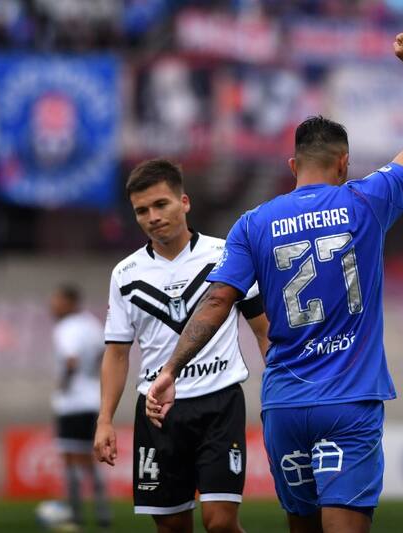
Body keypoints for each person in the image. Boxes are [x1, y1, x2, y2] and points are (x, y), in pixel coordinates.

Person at [147, 30, 403, 533]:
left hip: (285, 403)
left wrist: (171, 369)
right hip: (348, 400)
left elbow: (217, 302)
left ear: (293, 166)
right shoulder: (365, 201)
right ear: (344, 163)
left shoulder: (253, 223)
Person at [94, 159, 270, 533]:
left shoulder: (226, 255)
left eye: (161, 204)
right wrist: (105, 419)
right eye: (142, 210)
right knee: (172, 527)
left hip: (220, 403)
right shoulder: (125, 274)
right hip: (158, 413)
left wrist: (280, 390)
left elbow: (263, 330)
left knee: (220, 523)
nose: (152, 217)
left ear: (184, 202)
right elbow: (117, 352)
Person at [50, 283, 112, 531]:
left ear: (69, 301)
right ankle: (103, 511)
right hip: (92, 398)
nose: (53, 305)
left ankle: (75, 515)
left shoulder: (67, 327)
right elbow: (102, 354)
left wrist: (64, 385)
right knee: (89, 458)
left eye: (57, 300)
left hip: (72, 402)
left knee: (71, 458)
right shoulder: (91, 324)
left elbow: (71, 360)